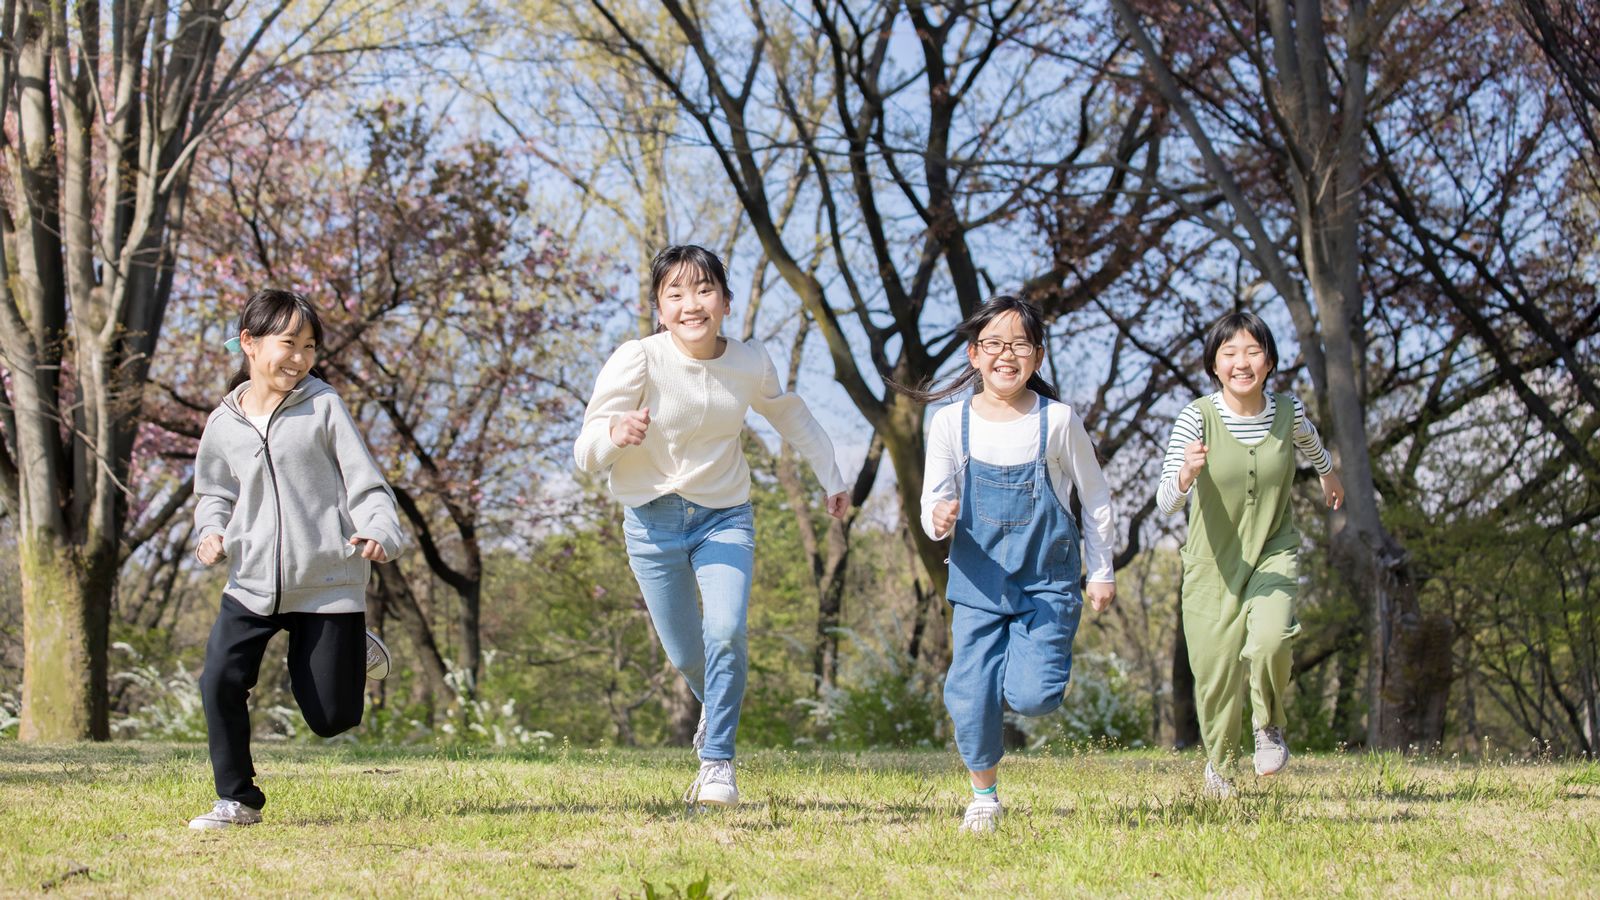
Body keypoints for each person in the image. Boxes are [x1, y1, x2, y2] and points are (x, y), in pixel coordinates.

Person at [574, 245, 849, 808]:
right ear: (658, 307)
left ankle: (717, 761)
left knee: (725, 631)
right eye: (674, 293)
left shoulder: (749, 362)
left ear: (725, 300)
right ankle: (713, 716)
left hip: (724, 517)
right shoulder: (638, 359)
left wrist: (832, 475)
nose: (690, 304)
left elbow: (789, 413)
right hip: (651, 525)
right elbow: (584, 452)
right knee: (685, 654)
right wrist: (614, 435)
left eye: (703, 290)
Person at [188, 288, 404, 830]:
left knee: (333, 719)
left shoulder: (323, 405)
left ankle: (352, 645)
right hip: (251, 580)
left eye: (310, 346)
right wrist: (211, 531)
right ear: (250, 343)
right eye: (289, 343)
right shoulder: (223, 424)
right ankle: (237, 799)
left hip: (326, 577)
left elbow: (367, 483)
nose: (301, 358)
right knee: (219, 679)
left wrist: (378, 530)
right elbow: (212, 494)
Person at [915, 294, 1118, 833]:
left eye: (1020, 344)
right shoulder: (948, 424)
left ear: (1039, 355)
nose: (1007, 354)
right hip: (978, 585)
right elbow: (931, 502)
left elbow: (1094, 497)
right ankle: (984, 795)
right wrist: (939, 516)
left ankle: (1012, 667)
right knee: (969, 693)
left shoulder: (1057, 422)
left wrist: (1101, 570)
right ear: (974, 354)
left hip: (1047, 584)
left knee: (1034, 696)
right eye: (994, 344)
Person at [1157, 310, 1344, 798]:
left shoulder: (1288, 411)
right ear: (1214, 366)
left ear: (1269, 361)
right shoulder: (1195, 418)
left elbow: (1309, 441)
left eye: (1253, 351)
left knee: (1269, 640)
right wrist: (1184, 476)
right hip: (1211, 563)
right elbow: (1164, 500)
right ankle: (1220, 767)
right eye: (1230, 352)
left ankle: (1268, 726)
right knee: (1216, 673)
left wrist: (1328, 474)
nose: (1242, 362)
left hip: (1272, 550)